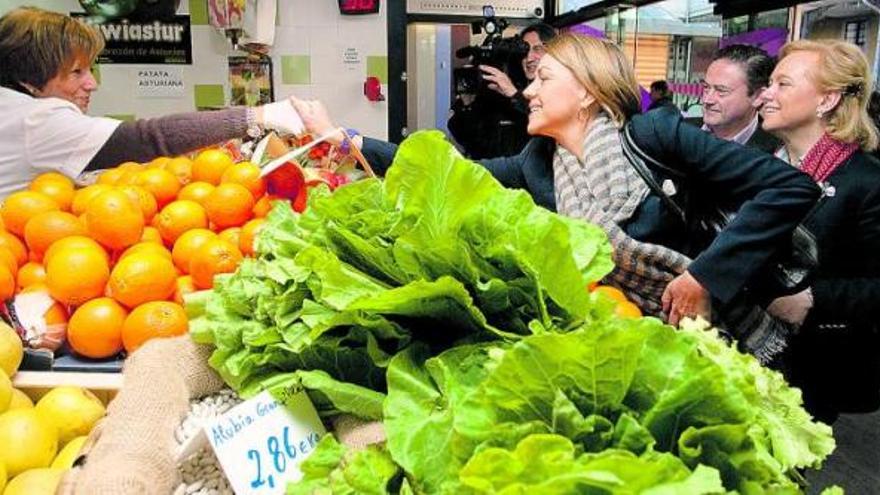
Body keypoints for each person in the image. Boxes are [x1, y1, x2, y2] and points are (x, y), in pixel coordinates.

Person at [291, 34, 819, 327]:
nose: (527, 93)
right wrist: (344, 138)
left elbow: (790, 188)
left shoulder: (657, 135)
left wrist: (705, 277)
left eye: (543, 78)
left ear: (588, 92)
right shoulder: (535, 163)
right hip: (627, 334)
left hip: (724, 328)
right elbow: (446, 171)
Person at [0, 7, 304, 197]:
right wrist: (256, 115)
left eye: (90, 69)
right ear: (28, 79)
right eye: (75, 73)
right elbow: (147, 138)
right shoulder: (36, 120)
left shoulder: (13, 108)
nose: (91, 83)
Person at [757, 39, 880, 422]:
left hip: (811, 369)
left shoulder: (867, 182)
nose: (766, 94)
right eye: (769, 84)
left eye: (783, 84)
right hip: (744, 346)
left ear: (826, 100)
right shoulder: (758, 165)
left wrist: (813, 299)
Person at [447, 22, 557, 159]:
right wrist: (467, 105)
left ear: (554, 52)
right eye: (524, 51)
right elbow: (469, 141)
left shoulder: (560, 93)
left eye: (537, 49)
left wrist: (514, 95)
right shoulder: (499, 91)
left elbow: (552, 128)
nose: (529, 58)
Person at [697, 44, 780, 153]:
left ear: (758, 97)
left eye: (721, 91)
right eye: (706, 88)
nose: (707, 100)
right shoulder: (677, 134)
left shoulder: (778, 152)